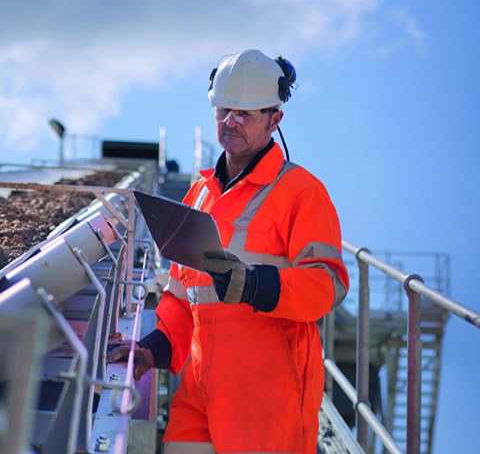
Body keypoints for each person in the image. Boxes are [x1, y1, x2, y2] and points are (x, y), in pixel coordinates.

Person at [109, 49, 349, 454]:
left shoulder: (301, 192)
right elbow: (184, 295)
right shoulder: (200, 193)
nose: (230, 122)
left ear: (275, 119)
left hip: (266, 396)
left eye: (245, 114)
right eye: (223, 111)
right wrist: (152, 349)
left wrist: (254, 285)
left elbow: (328, 283)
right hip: (200, 389)